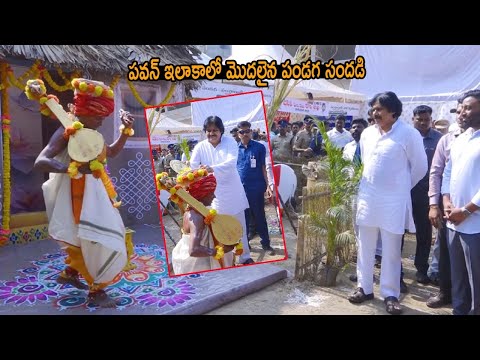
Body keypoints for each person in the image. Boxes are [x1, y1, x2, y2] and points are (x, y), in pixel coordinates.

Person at [34, 78, 135, 308]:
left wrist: (126, 132)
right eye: (98, 116)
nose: (101, 121)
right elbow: (41, 161)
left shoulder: (92, 134)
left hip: (98, 195)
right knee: (96, 239)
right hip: (77, 198)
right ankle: (96, 291)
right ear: (86, 112)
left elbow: (110, 152)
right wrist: (74, 169)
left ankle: (71, 272)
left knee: (93, 237)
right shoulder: (66, 130)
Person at [348, 91, 427, 315]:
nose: (374, 113)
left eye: (379, 109)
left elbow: (420, 168)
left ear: (393, 111)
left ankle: (390, 294)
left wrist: (400, 187)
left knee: (392, 250)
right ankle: (364, 287)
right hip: (368, 198)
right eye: (373, 109)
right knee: (365, 246)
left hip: (393, 201)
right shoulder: (367, 134)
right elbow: (365, 162)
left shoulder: (409, 134)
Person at [190, 116, 253, 265]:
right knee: (220, 228)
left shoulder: (230, 142)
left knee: (239, 226)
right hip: (212, 194)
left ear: (221, 131)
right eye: (209, 130)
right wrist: (196, 171)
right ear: (205, 132)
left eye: (215, 130)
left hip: (232, 191)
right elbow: (193, 165)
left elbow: (231, 163)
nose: (212, 133)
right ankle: (226, 259)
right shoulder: (200, 146)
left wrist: (212, 169)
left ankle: (245, 257)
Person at [442, 89, 480, 315]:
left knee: (477, 279)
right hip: (453, 222)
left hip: (475, 225)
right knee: (458, 278)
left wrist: (466, 211)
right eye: (461, 107)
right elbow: (448, 171)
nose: (462, 112)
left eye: (468, 107)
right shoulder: (460, 138)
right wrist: (447, 201)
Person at [426, 100, 466, 308]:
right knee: (445, 252)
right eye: (457, 111)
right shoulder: (447, 140)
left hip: (473, 209)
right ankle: (445, 293)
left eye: (465, 110)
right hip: (446, 206)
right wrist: (434, 204)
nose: (460, 115)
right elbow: (437, 172)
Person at [171, 173, 235, 275]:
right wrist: (219, 251)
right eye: (211, 193)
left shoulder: (198, 211)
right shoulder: (196, 216)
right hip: (196, 266)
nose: (214, 196)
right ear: (202, 195)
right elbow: (194, 250)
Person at [410, 105, 443, 284]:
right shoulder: (407, 137)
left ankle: (421, 268)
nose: (423, 123)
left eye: (426, 120)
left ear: (431, 120)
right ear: (412, 119)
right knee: (397, 232)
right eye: (419, 119)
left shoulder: (439, 139)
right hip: (404, 193)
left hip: (426, 195)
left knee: (424, 233)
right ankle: (395, 271)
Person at [236, 121, 275, 255]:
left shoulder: (259, 147)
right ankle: (246, 245)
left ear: (251, 132)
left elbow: (264, 168)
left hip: (257, 187)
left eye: (247, 131)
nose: (245, 134)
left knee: (259, 216)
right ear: (238, 133)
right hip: (241, 189)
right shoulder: (234, 149)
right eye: (242, 132)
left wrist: (268, 186)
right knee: (244, 218)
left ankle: (266, 244)